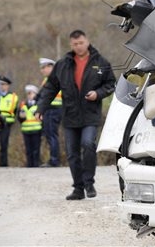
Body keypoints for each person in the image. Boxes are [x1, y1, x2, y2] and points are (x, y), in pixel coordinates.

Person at [36, 30, 116, 200]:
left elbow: (111, 84)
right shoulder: (63, 64)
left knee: (88, 144)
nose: (78, 46)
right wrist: (40, 108)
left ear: (87, 41)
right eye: (74, 44)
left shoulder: (101, 62)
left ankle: (89, 182)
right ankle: (78, 189)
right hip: (70, 115)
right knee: (72, 153)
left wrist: (98, 93)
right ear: (71, 45)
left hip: (90, 114)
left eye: (80, 43)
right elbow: (50, 88)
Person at [38, 58, 62, 167]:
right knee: (49, 135)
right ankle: (53, 159)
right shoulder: (46, 80)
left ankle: (54, 160)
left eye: (44, 67)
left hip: (54, 109)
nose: (42, 70)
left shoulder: (55, 78)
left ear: (50, 67)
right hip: (49, 109)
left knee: (52, 135)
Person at [18, 85, 42, 167]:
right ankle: (29, 165)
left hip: (36, 129)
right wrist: (21, 117)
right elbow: (19, 118)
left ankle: (36, 164)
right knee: (28, 149)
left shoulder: (39, 104)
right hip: (26, 130)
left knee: (36, 149)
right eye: (28, 93)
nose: (29, 95)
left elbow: (42, 117)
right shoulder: (23, 104)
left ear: (35, 94)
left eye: (31, 93)